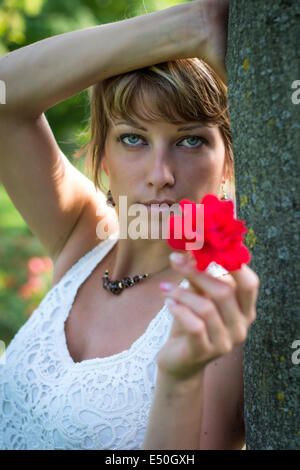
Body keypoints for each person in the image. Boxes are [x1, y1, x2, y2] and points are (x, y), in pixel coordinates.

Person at [0, 0, 260, 450]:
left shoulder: (217, 305)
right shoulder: (83, 236)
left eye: (191, 140)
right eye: (133, 139)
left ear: (226, 166)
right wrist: (192, 25)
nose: (160, 173)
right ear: (102, 156)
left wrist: (179, 378)